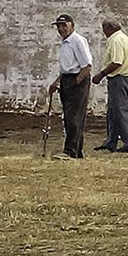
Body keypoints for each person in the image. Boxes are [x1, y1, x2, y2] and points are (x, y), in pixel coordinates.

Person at [45, 13, 92, 159]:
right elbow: (66, 68)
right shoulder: (65, 43)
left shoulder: (77, 40)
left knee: (73, 117)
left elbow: (86, 66)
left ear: (72, 25)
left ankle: (70, 151)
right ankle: (76, 151)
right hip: (67, 79)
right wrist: (57, 82)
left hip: (76, 80)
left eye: (64, 25)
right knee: (69, 117)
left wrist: (76, 83)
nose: (61, 29)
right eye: (59, 26)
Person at [95, 19, 128, 153]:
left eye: (104, 29)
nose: (104, 32)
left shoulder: (116, 40)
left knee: (119, 111)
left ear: (109, 28)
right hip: (124, 77)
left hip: (119, 78)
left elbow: (117, 62)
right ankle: (111, 141)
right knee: (113, 111)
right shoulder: (124, 38)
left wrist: (101, 74)